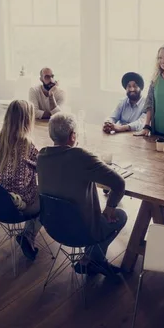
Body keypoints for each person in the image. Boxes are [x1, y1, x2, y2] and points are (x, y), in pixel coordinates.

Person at [37, 112, 128, 276]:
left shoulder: (42, 155)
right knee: (120, 216)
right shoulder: (80, 156)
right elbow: (119, 183)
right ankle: (94, 259)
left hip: (53, 226)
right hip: (82, 231)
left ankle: (89, 259)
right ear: (73, 136)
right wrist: (110, 207)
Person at [0, 100, 42, 260]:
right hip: (20, 204)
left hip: (0, 200)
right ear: (28, 120)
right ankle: (28, 235)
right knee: (49, 198)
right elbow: (43, 166)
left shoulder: (0, 139)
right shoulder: (27, 144)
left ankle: (27, 235)